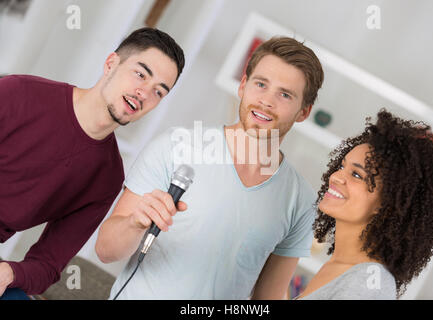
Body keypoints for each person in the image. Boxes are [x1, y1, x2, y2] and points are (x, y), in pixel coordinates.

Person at [95, 36, 325, 299]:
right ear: (243, 86)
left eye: (285, 94)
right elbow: (105, 250)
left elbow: (268, 296)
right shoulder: (176, 147)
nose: (266, 101)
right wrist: (135, 224)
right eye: (260, 84)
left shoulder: (301, 200)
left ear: (304, 112)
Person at [0, 27, 185, 299]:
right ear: (111, 64)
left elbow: (48, 265)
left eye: (159, 91)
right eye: (140, 74)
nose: (144, 92)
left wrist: (10, 273)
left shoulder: (106, 178)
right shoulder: (18, 94)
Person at [296, 109, 433, 300]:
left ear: (388, 203)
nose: (336, 177)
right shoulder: (344, 267)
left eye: (356, 175)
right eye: (342, 166)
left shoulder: (370, 284)